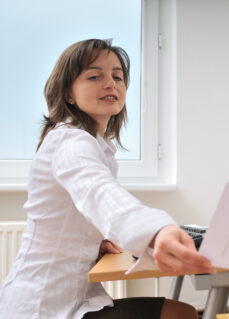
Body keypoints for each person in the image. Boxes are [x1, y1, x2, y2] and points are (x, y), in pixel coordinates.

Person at [0, 39, 213, 319]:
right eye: (94, 76)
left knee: (181, 312)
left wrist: (94, 242)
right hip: (42, 308)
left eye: (118, 76)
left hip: (69, 300)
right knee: (181, 314)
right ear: (68, 94)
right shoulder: (70, 141)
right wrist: (157, 230)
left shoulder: (90, 143)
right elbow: (98, 192)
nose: (111, 83)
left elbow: (83, 205)